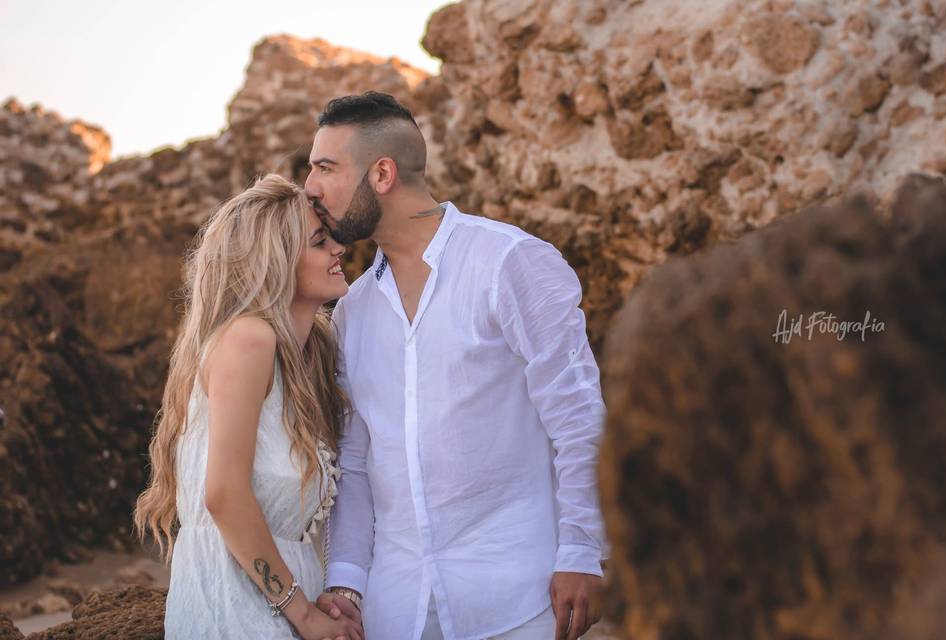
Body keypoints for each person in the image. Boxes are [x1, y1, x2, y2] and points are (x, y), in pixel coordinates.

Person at [306, 92, 606, 640]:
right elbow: (354, 461)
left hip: (518, 597)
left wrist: (584, 551)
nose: (310, 187)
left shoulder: (510, 263)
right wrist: (347, 581)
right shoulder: (351, 312)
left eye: (325, 167)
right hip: (395, 608)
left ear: (381, 173)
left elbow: (578, 417)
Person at [133, 174, 363, 640]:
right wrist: (302, 613)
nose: (338, 248)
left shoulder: (307, 354)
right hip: (236, 613)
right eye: (319, 241)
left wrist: (332, 595)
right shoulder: (248, 340)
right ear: (275, 260)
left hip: (284, 604)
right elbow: (224, 496)